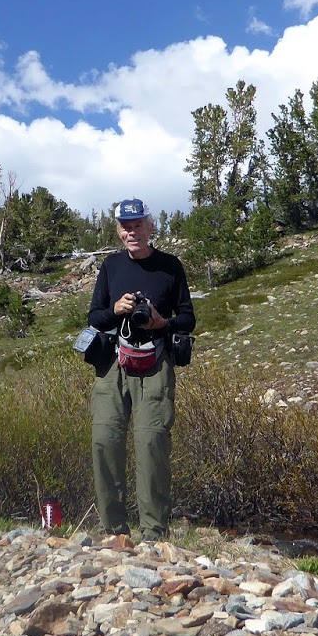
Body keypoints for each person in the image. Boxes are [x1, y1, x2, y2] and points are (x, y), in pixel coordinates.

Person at [85, 198, 195, 541]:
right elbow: (94, 317)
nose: (131, 233)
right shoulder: (110, 266)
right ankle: (113, 531)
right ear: (118, 230)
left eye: (137, 226)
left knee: (151, 443)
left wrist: (163, 322)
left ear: (150, 226)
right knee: (104, 440)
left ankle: (153, 532)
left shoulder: (170, 266)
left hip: (155, 363)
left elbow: (188, 318)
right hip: (113, 364)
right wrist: (116, 310)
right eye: (125, 227)